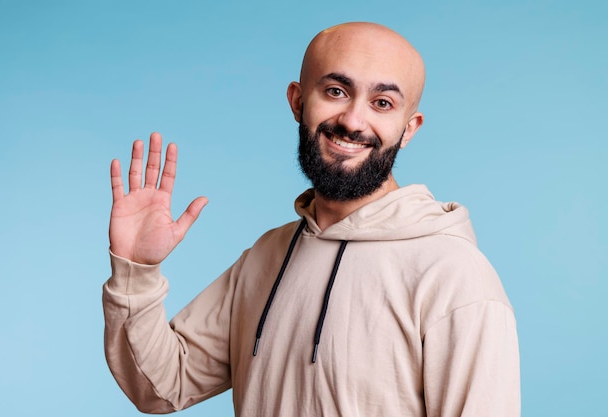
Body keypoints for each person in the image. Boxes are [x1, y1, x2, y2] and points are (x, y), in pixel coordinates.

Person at [103, 22, 520, 416]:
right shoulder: (267, 256)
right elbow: (161, 385)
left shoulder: (455, 277)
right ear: (298, 102)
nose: (354, 121)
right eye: (336, 91)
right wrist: (136, 271)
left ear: (408, 129)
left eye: (382, 103)